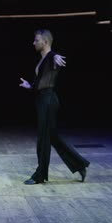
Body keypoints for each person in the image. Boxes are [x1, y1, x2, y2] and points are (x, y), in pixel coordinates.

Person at [19, 29, 90, 185]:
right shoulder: (43, 59)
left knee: (43, 140)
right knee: (52, 138)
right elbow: (41, 84)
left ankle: (40, 175)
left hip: (48, 101)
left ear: (45, 42)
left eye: (36, 40)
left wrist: (54, 55)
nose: (33, 42)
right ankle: (79, 165)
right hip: (44, 100)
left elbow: (54, 57)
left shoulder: (51, 57)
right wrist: (29, 86)